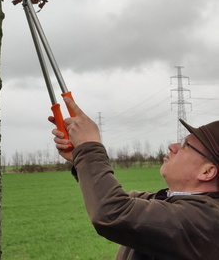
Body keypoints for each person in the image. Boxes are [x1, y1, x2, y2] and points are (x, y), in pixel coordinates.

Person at [50, 96, 219, 260]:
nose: (172, 146)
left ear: (207, 172)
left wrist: (89, 147)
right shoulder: (173, 202)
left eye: (185, 146)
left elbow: (113, 212)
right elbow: (112, 200)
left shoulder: (205, 220)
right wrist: (82, 158)